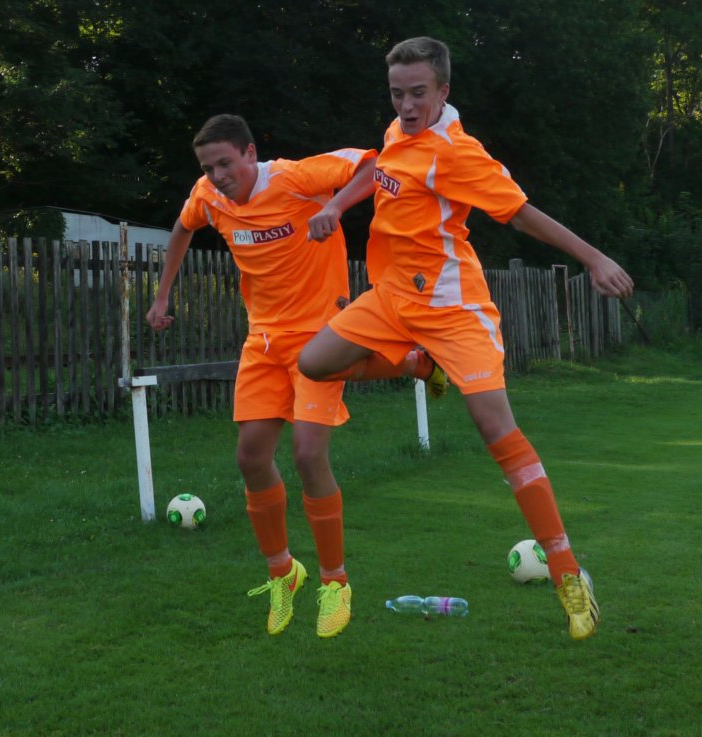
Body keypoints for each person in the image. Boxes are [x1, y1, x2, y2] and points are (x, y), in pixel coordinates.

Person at [298, 37, 635, 641]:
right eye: (397, 93)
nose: (406, 105)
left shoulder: (457, 153)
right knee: (315, 362)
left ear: (443, 91)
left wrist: (594, 257)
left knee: (495, 429)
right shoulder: (398, 132)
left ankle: (567, 575)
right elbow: (377, 168)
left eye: (418, 94)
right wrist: (338, 204)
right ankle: (418, 366)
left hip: (453, 309)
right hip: (391, 298)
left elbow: (522, 213)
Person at [147, 114, 399, 639]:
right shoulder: (208, 197)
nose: (217, 176)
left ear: (250, 153)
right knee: (251, 458)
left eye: (225, 163)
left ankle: (335, 582)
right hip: (262, 340)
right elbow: (183, 226)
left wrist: (334, 206)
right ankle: (283, 573)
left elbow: (375, 165)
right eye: (208, 168)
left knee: (308, 456)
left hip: (319, 336)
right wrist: (162, 294)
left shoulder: (295, 178)